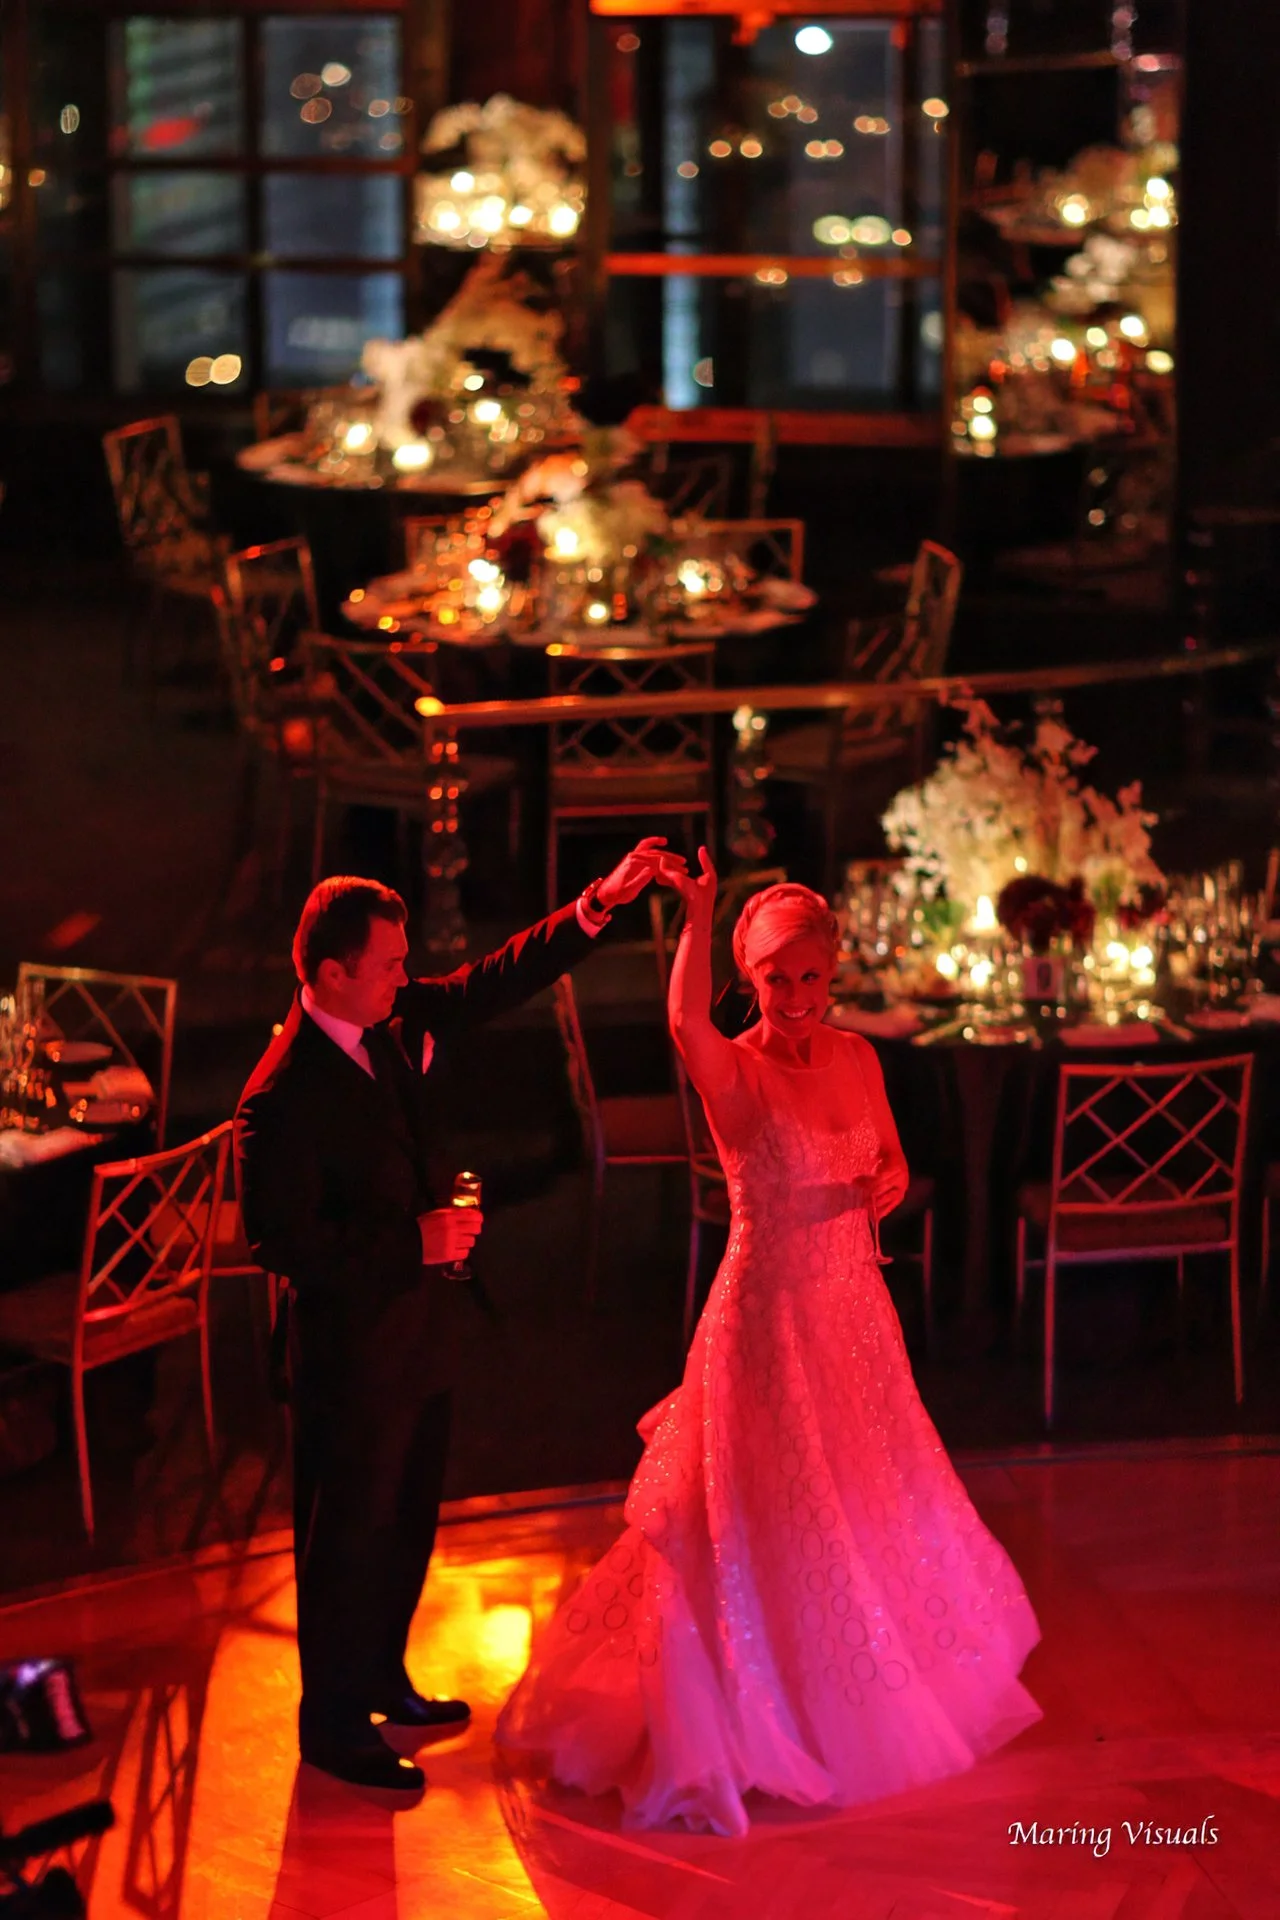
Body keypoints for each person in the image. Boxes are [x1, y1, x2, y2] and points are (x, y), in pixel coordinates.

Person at [497, 856, 1041, 1836]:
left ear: (830, 974)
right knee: (769, 1510)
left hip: (852, 1310)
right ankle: (758, 1709)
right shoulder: (734, 1068)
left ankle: (863, 1683)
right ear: (749, 980)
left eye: (807, 976)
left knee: (863, 1495)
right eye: (773, 979)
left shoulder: (857, 1056)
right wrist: (699, 910)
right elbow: (678, 1024)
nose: (792, 997)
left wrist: (884, 1179)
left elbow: (886, 1155)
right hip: (767, 1316)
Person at [234, 839, 686, 1793]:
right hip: (349, 1352)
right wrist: (418, 1245)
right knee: (345, 1533)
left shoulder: (389, 1020)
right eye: (390, 963)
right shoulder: (280, 1097)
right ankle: (332, 1725)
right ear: (330, 973)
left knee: (404, 1520)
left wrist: (597, 903)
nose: (409, 977)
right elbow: (282, 1245)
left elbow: (493, 979)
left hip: (418, 1333)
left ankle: (383, 1676)